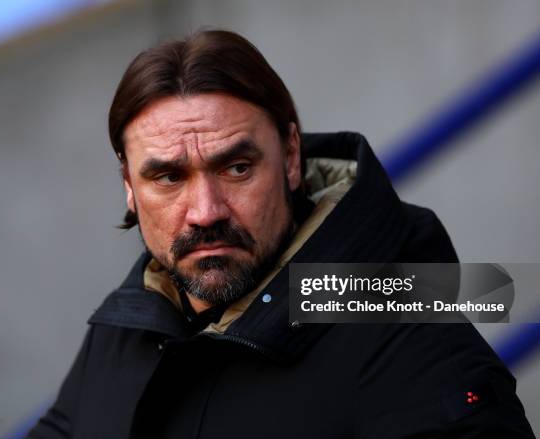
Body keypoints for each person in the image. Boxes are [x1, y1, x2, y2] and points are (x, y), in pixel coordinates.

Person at [28, 30, 534, 438]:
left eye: (238, 168)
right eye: (168, 177)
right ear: (129, 188)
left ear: (291, 158)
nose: (205, 212)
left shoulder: (405, 334)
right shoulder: (131, 321)